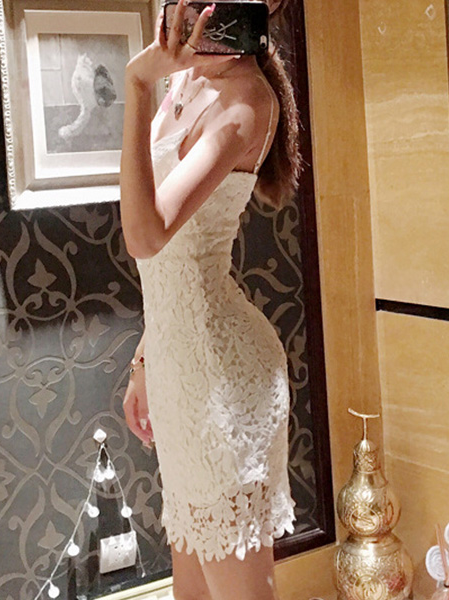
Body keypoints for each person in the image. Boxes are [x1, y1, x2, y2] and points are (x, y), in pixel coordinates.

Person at [119, 0, 302, 598]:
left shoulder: (247, 101)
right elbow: (170, 270)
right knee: (192, 593)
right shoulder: (188, 75)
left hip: (223, 383)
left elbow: (147, 236)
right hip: (179, 372)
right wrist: (144, 363)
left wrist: (137, 87)